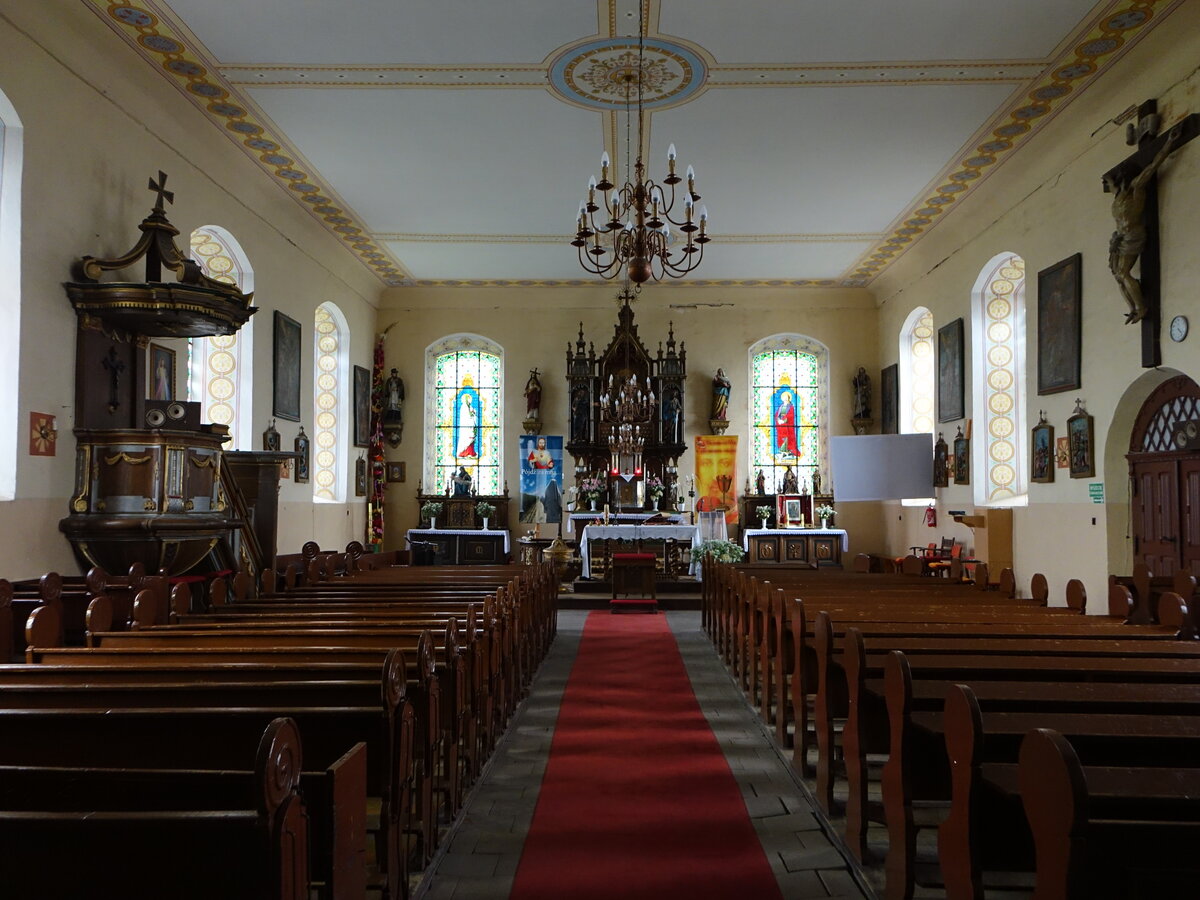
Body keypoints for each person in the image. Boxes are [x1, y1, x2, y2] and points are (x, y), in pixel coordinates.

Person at [1105, 124, 1182, 323]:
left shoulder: (1137, 189)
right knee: (1118, 275)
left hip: (1133, 235)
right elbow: (1110, 183)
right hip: (1120, 237)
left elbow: (1153, 166)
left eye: (1122, 176)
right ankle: (1132, 307)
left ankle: (1141, 308)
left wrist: (1169, 143)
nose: (1119, 180)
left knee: (1123, 272)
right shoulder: (1118, 194)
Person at [774, 390, 800, 456]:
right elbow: (777, 414)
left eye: (786, 397)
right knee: (781, 438)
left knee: (787, 438)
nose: (785, 398)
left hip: (787, 426)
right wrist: (778, 419)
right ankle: (782, 451)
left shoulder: (791, 406)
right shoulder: (781, 406)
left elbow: (790, 415)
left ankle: (788, 451)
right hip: (781, 426)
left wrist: (784, 420)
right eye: (784, 397)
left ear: (788, 398)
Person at [456, 391, 478, 458]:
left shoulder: (470, 406)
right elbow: (465, 417)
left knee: (471, 438)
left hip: (471, 425)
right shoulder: (464, 407)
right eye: (468, 399)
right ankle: (464, 452)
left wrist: (473, 413)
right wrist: (470, 415)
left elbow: (473, 414)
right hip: (466, 427)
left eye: (469, 399)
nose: (469, 400)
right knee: (466, 439)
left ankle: (471, 452)